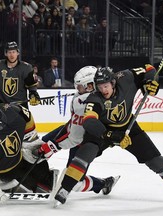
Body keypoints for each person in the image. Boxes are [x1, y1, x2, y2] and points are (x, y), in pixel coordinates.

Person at [52, 65, 163, 206]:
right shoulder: (94, 98)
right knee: (84, 154)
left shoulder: (126, 78)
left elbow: (149, 69)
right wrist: (109, 135)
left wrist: (151, 83)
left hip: (128, 128)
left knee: (157, 162)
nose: (103, 90)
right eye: (100, 86)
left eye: (106, 86)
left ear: (113, 82)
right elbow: (89, 122)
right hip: (103, 131)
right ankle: (65, 189)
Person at [36, 66, 120, 202]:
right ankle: (38, 178)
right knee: (40, 144)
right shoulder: (83, 97)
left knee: (74, 181)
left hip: (83, 141)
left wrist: (53, 147)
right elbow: (73, 125)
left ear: (90, 86)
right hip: (73, 129)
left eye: (80, 86)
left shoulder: (87, 102)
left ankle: (104, 183)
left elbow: (75, 136)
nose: (77, 89)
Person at [0, 96, 58, 207]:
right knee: (32, 185)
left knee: (44, 172)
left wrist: (30, 140)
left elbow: (27, 116)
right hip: (5, 171)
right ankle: (12, 186)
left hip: (21, 158)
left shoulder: (10, 110)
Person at [0, 41, 40, 108]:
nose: (12, 55)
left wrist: (33, 94)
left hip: (20, 107)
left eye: (14, 52)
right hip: (2, 106)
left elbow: (31, 85)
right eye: (9, 52)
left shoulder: (26, 68)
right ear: (6, 53)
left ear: (18, 53)